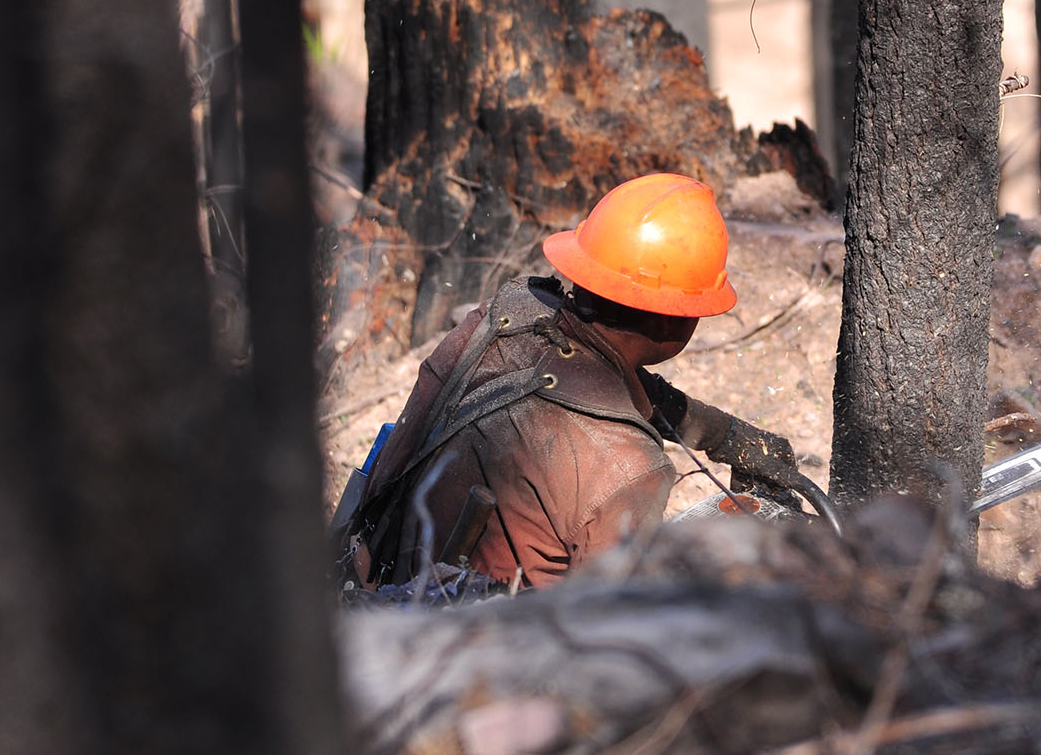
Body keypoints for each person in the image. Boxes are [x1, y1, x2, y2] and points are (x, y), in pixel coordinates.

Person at [337, 173, 821, 589]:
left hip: (371, 584)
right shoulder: (627, 467)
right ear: (680, 320)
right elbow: (610, 629)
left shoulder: (499, 318)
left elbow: (607, 381)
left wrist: (728, 437)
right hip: (497, 662)